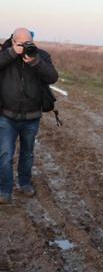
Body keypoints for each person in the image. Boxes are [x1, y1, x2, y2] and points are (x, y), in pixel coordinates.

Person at [0, 28, 58, 203]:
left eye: (29, 43)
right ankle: (4, 190)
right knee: (5, 154)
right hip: (6, 115)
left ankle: (25, 183)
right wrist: (11, 53)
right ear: (13, 41)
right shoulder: (5, 54)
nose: (25, 46)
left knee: (27, 154)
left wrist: (35, 62)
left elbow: (52, 77)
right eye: (21, 43)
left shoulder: (40, 55)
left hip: (32, 116)